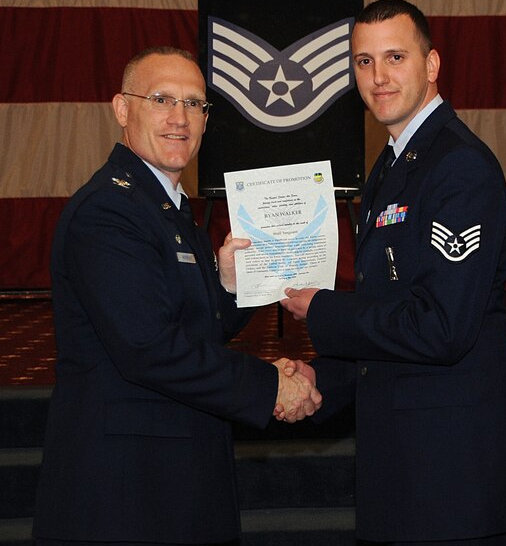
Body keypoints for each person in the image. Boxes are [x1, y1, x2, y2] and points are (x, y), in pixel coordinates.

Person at [33, 46, 321, 545]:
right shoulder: (109, 211)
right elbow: (149, 348)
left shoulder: (166, 206)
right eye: (162, 99)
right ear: (123, 109)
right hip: (125, 491)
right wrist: (269, 384)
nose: (180, 118)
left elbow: (191, 326)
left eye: (195, 104)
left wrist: (228, 286)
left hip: (174, 472)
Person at [280, 0, 506, 544]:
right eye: (363, 62)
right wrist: (319, 377)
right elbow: (390, 316)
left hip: (455, 477)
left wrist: (323, 310)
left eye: (395, 57)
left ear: (432, 64)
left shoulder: (458, 166)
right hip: (410, 466)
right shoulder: (397, 161)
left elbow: (440, 327)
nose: (378, 77)